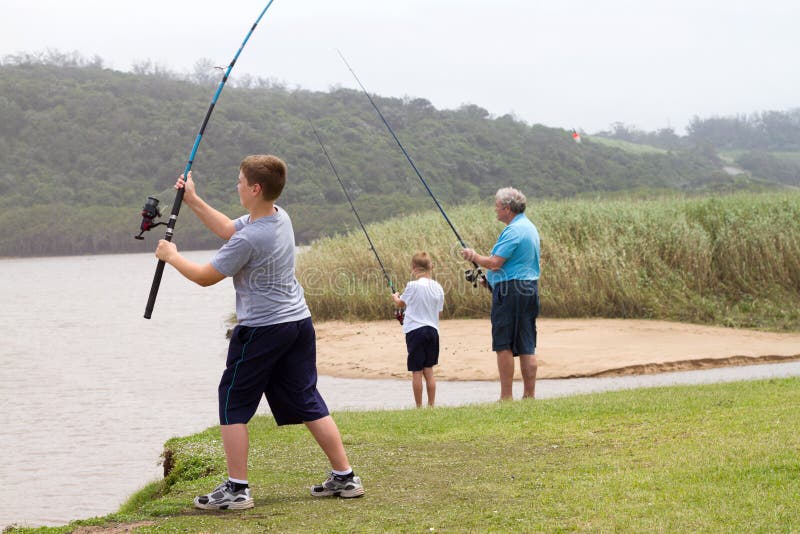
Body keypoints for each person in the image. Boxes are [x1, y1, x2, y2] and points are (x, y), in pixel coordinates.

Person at [154, 155, 364, 511]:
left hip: (262, 331)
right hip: (298, 324)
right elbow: (226, 229)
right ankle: (345, 477)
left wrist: (171, 256)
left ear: (255, 188)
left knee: (232, 402)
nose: (236, 187)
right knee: (306, 397)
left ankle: (237, 490)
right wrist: (191, 198)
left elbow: (206, 276)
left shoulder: (251, 238)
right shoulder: (278, 217)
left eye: (239, 182)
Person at [460, 187, 540, 401]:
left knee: (503, 342)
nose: (495, 210)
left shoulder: (513, 230)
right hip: (529, 288)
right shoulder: (530, 227)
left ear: (506, 208)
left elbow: (495, 263)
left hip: (511, 291)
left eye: (497, 206)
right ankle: (529, 396)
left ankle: (506, 397)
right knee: (527, 342)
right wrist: (491, 282)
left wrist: (474, 256)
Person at [392, 252, 445, 408]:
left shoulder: (412, 286)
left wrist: (395, 296)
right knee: (429, 370)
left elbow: (401, 303)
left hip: (415, 331)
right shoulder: (438, 287)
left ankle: (419, 407)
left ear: (414, 267)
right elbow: (439, 312)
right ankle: (431, 405)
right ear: (431, 267)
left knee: (416, 370)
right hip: (433, 331)